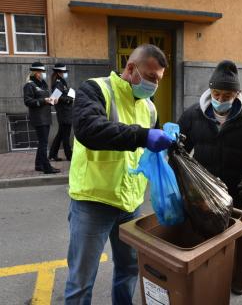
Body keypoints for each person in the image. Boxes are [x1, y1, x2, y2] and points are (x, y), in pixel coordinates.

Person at [64, 44, 172, 305]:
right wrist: (143, 135)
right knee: (81, 281)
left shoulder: (149, 107)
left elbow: (151, 151)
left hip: (130, 204)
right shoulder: (96, 89)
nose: (153, 84)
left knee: (129, 270)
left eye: (157, 80)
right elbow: (90, 129)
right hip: (94, 202)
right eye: (150, 77)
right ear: (131, 68)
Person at [177, 60, 242, 294]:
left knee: (235, 241)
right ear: (210, 91)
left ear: (238, 93)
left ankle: (235, 279)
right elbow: (180, 150)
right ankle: (207, 276)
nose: (221, 100)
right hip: (201, 196)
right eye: (216, 94)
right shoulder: (193, 115)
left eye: (227, 95)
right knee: (203, 238)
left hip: (236, 197)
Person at [23, 62, 61, 174]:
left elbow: (46, 99)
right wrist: (43, 101)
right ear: (35, 73)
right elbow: (28, 101)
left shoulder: (42, 84)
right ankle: (47, 167)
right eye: (41, 72)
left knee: (42, 142)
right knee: (43, 143)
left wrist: (53, 100)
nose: (43, 74)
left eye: (43, 72)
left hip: (45, 117)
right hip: (38, 118)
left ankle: (39, 165)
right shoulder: (29, 85)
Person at [49, 63, 73, 161]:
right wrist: (68, 99)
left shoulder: (61, 82)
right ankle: (69, 155)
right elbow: (54, 98)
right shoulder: (58, 83)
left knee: (61, 134)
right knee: (65, 135)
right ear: (59, 73)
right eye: (63, 72)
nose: (64, 74)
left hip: (65, 111)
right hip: (64, 112)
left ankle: (52, 154)